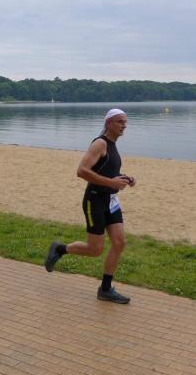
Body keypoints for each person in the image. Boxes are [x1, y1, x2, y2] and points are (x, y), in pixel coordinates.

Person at [45, 108, 136, 304]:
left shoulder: (112, 145)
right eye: (120, 122)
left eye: (125, 122)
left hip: (111, 201)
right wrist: (111, 182)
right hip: (94, 200)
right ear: (108, 123)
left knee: (120, 242)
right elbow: (82, 171)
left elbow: (107, 171)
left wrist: (124, 178)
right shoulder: (100, 144)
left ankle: (105, 289)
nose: (124, 126)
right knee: (95, 249)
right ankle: (60, 249)